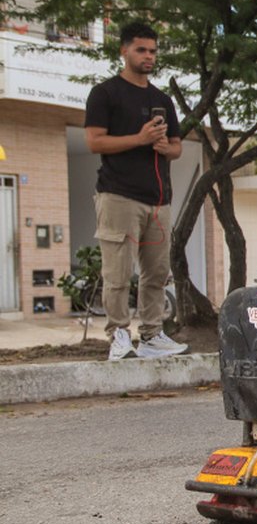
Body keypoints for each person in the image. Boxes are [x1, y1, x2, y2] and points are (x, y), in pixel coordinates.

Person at [85, 22, 188, 361]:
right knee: (117, 273)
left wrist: (164, 147)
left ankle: (152, 336)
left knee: (156, 273)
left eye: (153, 51)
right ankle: (118, 336)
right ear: (124, 50)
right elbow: (94, 141)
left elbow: (177, 147)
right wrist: (139, 139)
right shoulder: (105, 93)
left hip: (158, 200)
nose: (148, 56)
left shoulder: (162, 100)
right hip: (118, 195)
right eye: (141, 50)